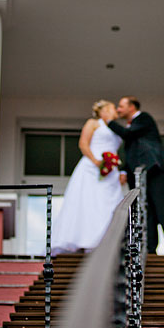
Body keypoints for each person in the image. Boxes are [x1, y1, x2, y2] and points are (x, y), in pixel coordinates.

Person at [100, 96, 164, 254]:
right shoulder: (133, 127)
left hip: (155, 170)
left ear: (132, 107)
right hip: (142, 173)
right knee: (147, 210)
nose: (118, 109)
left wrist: (109, 122)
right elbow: (131, 152)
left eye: (121, 106)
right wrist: (124, 170)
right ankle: (151, 249)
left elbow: (128, 134)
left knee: (162, 208)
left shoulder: (144, 118)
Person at [50, 99, 124, 256]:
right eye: (112, 108)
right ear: (103, 111)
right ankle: (85, 240)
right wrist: (96, 161)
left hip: (111, 170)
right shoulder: (93, 123)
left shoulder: (117, 128)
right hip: (92, 166)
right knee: (89, 202)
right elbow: (83, 144)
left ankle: (107, 241)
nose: (115, 111)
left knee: (109, 204)